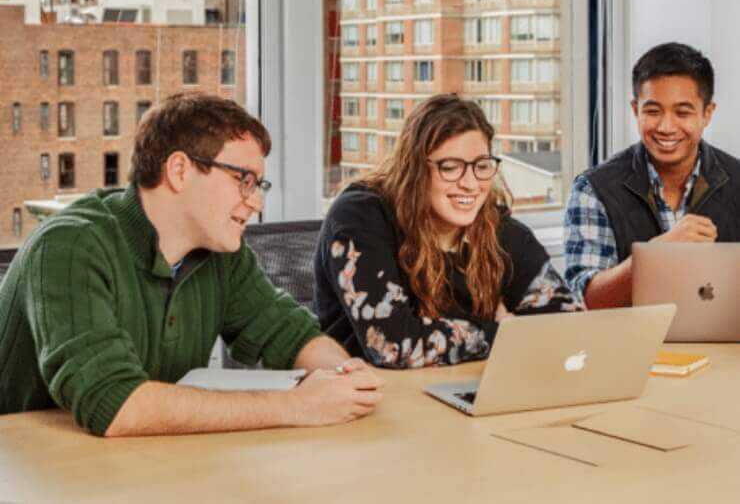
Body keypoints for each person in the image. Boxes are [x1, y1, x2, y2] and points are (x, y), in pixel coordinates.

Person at [0, 94, 382, 436]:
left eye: (258, 186)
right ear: (179, 170)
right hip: (31, 470)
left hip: (143, 464)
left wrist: (344, 375)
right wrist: (297, 406)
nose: (256, 203)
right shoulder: (70, 245)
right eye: (243, 180)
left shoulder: (221, 254)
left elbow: (291, 334)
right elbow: (112, 403)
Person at [314, 94, 580, 368]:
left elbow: (568, 324)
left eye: (481, 166)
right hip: (370, 396)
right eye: (450, 168)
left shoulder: (499, 229)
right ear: (415, 168)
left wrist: (467, 334)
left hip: (468, 390)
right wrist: (501, 331)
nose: (470, 183)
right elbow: (394, 346)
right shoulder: (360, 218)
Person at [564, 42, 740, 308]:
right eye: (653, 111)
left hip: (727, 347)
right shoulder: (593, 190)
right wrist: (655, 255)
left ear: (707, 114)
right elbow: (587, 301)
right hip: (630, 347)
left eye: (682, 112)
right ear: (636, 110)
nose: (666, 127)